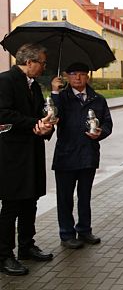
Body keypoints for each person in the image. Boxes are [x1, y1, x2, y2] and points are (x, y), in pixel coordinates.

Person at [0, 44, 55, 276]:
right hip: (12, 155)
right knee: (11, 205)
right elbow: (3, 113)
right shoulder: (6, 81)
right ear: (30, 62)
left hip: (31, 152)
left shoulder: (34, 86)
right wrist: (33, 124)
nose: (44, 66)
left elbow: (36, 115)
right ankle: (4, 255)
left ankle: (26, 246)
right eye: (42, 62)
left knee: (30, 201)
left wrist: (46, 124)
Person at [50, 63, 113, 249]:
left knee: (85, 196)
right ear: (67, 77)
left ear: (88, 76)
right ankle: (67, 234)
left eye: (82, 74)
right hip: (66, 155)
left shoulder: (98, 99)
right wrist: (54, 92)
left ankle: (84, 230)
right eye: (73, 74)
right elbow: (51, 115)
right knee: (65, 197)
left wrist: (100, 132)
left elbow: (108, 123)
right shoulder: (61, 98)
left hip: (88, 154)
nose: (78, 78)